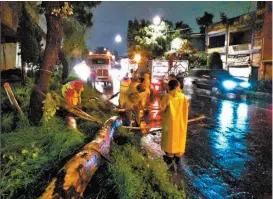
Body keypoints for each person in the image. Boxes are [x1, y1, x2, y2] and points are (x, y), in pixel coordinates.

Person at [160, 79, 189, 169]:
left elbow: (162, 109)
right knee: (179, 141)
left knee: (169, 142)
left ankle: (170, 163)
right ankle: (178, 161)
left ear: (169, 87)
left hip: (170, 124)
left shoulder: (167, 96)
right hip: (181, 124)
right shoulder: (183, 97)